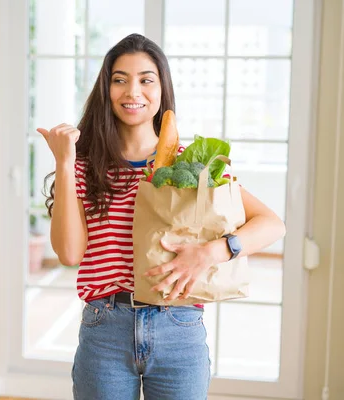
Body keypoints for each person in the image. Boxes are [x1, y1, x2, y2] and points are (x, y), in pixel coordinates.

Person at [37, 33, 286, 400]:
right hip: (105, 328)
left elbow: (271, 224)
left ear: (161, 89)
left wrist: (210, 252)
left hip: (179, 327)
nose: (132, 91)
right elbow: (71, 254)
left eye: (145, 80)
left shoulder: (193, 162)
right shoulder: (83, 164)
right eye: (119, 79)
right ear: (105, 90)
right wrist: (64, 162)